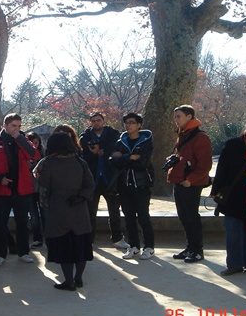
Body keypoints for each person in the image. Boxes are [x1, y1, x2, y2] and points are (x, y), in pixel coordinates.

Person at [35, 133, 95, 291]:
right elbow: (90, 184)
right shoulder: (80, 162)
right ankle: (79, 278)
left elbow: (43, 184)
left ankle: (68, 281)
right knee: (80, 246)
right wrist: (81, 197)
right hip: (79, 208)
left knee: (64, 247)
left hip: (58, 208)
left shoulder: (49, 163)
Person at [211, 117, 246, 275]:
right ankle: (234, 264)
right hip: (234, 198)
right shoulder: (233, 145)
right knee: (233, 232)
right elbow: (221, 169)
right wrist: (215, 191)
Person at [0, 113, 40, 266]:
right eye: (13, 126)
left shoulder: (23, 140)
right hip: (2, 190)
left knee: (22, 223)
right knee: (1, 223)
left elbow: (34, 155)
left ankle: (23, 252)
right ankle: (1, 254)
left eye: (19, 126)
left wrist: (20, 139)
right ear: (5, 125)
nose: (16, 129)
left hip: (22, 189)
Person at [168, 105, 213, 264]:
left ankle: (197, 250)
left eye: (178, 116)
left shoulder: (200, 137)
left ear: (189, 117)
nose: (176, 119)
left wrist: (190, 180)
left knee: (191, 216)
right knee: (184, 216)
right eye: (175, 116)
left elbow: (205, 164)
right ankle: (190, 247)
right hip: (180, 180)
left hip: (190, 183)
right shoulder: (183, 134)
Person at [110, 113, 156, 260]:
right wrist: (129, 157)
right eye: (126, 123)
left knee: (143, 217)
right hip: (124, 184)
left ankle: (149, 247)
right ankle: (134, 246)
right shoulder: (121, 141)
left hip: (141, 184)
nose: (128, 125)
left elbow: (142, 163)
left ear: (139, 125)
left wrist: (123, 158)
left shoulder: (146, 141)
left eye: (132, 122)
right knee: (129, 217)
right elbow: (113, 161)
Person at [79, 112, 127, 247]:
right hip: (92, 179)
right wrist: (94, 153)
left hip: (110, 178)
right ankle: (89, 240)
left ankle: (117, 238)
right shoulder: (85, 137)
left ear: (103, 121)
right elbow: (85, 157)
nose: (96, 123)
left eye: (98, 120)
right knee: (90, 211)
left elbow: (115, 151)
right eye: (93, 121)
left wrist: (103, 151)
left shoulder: (113, 135)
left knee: (114, 210)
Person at [26, 132, 45, 249]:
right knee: (33, 215)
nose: (34, 145)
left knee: (45, 214)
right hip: (29, 189)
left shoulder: (44, 154)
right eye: (31, 143)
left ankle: (48, 237)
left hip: (42, 189)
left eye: (36, 143)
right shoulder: (23, 154)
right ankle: (37, 238)